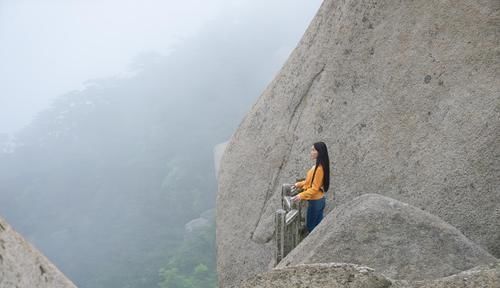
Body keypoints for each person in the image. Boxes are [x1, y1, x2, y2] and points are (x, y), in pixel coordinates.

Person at [291, 141, 330, 232]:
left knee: (311, 227)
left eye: (313, 150)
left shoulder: (319, 169)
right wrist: (298, 184)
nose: (311, 152)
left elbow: (314, 189)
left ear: (319, 152)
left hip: (316, 201)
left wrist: (301, 195)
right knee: (317, 228)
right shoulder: (317, 166)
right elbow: (309, 181)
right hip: (318, 200)